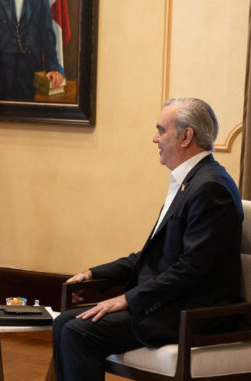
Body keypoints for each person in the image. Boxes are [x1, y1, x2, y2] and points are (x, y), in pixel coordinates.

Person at [52, 98, 244, 381]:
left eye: (161, 130)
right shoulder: (191, 182)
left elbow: (192, 269)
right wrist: (94, 273)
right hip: (171, 302)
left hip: (191, 312)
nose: (155, 138)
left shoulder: (210, 188)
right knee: (63, 324)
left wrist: (127, 299)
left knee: (79, 331)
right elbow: (152, 255)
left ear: (185, 136)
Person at [0, 0, 64, 100]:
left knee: (28, 110)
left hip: (30, 67)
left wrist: (53, 67)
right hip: (1, 67)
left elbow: (47, 33)